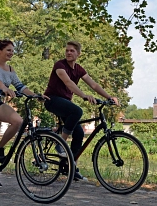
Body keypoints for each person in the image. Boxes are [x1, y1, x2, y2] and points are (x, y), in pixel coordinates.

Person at [0, 39, 49, 187]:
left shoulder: (10, 69)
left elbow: (20, 86)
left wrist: (36, 95)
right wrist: (4, 88)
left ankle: (0, 148)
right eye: (8, 50)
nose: (11, 53)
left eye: (13, 51)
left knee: (18, 121)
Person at [43, 41, 119, 181]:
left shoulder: (78, 69)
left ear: (78, 54)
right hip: (52, 100)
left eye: (72, 51)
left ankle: (71, 168)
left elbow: (93, 84)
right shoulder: (60, 65)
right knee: (77, 111)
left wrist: (109, 97)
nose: (68, 53)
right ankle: (60, 144)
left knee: (79, 133)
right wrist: (83, 95)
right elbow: (68, 82)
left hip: (65, 103)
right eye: (67, 50)